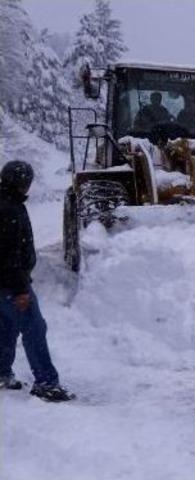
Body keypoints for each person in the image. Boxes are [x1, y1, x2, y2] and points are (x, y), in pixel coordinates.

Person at [0, 161, 75, 402]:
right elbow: (10, 254)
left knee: (7, 327)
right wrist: (21, 289)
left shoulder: (7, 203)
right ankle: (46, 382)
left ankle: (1, 373)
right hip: (11, 284)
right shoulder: (9, 209)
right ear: (21, 183)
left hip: (4, 283)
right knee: (34, 328)